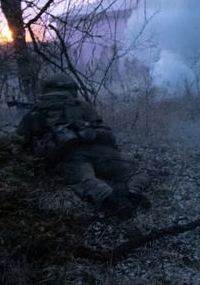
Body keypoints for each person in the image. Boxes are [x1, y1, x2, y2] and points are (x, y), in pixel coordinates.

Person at [16, 73, 151, 216]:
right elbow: (101, 128)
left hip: (69, 158)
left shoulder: (36, 112)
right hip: (99, 151)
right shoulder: (83, 106)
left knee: (86, 181)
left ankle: (113, 199)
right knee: (137, 173)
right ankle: (132, 191)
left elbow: (19, 140)